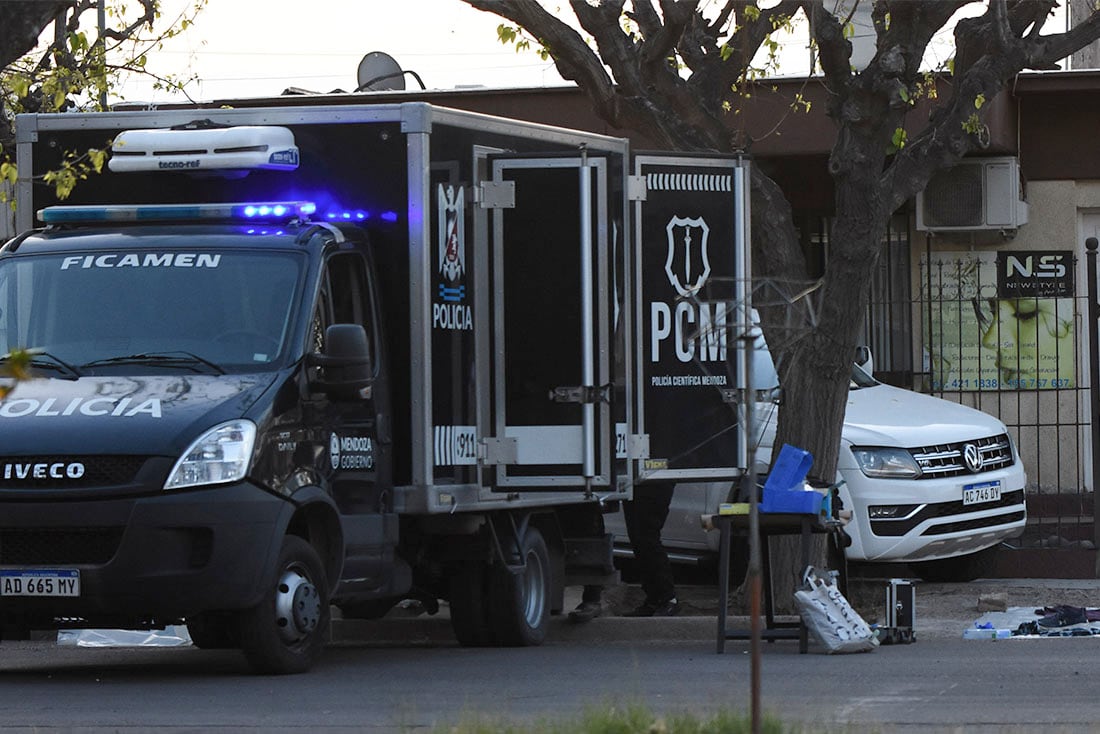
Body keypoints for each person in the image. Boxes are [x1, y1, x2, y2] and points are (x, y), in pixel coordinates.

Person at [621, 480, 680, 617]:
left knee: (647, 536)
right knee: (638, 538)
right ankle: (654, 598)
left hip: (654, 477)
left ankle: (667, 597)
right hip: (633, 478)